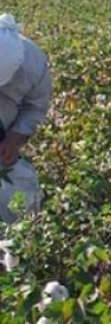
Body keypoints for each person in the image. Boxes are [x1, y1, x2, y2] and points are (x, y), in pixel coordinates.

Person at [0, 13, 52, 223]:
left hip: (7, 119)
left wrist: (13, 140)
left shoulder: (33, 63)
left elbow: (35, 108)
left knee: (16, 185)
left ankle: (19, 231)